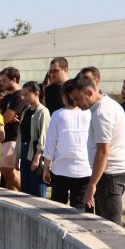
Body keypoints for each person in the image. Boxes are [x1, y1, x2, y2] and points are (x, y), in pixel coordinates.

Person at [69, 75, 125, 225]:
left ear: (89, 92)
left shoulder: (101, 112)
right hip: (111, 173)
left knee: (111, 225)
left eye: (77, 99)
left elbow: (103, 152)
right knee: (106, 221)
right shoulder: (107, 104)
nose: (75, 104)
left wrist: (92, 184)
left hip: (110, 174)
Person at [42, 80, 93, 211]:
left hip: (61, 168)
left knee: (58, 208)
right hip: (85, 168)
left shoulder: (58, 115)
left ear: (64, 96)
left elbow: (50, 144)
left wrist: (46, 167)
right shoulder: (89, 113)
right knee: (80, 207)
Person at [17, 81, 50, 197]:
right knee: (25, 188)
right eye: (23, 95)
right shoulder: (26, 112)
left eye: (27, 94)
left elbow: (44, 137)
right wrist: (17, 156)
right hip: (25, 151)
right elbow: (21, 135)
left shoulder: (43, 112)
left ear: (36, 93)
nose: (24, 97)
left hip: (36, 153)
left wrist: (37, 157)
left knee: (37, 187)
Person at [0, 67, 27, 191]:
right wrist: (3, 119)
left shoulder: (19, 96)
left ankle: (27, 192)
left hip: (14, 137)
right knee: (6, 175)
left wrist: (4, 118)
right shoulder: (5, 98)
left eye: (4, 80)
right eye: (1, 81)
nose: (2, 83)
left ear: (14, 80)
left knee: (7, 170)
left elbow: (5, 117)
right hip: (4, 137)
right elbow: (0, 117)